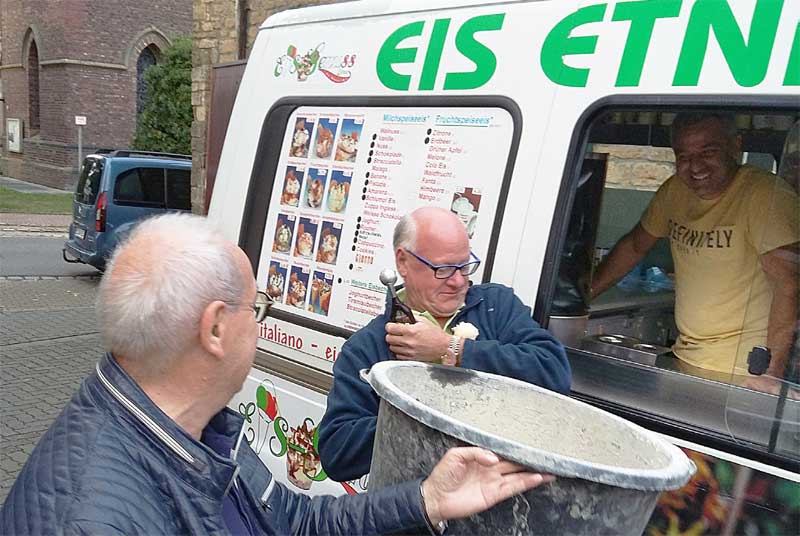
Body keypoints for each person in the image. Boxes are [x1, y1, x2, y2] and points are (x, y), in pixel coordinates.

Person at [0, 214, 554, 535]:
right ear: (216, 329)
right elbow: (336, 452)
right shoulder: (90, 519)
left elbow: (293, 522)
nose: (261, 325)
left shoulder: (204, 435)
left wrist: (426, 500)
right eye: (258, 308)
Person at [319, 207, 571, 482]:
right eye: (444, 269)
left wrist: (453, 349)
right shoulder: (368, 346)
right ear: (403, 262)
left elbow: (555, 372)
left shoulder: (495, 307)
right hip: (414, 510)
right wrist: (423, 417)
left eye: (464, 266)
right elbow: (336, 452)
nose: (458, 281)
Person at [591, 112, 799, 393]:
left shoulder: (762, 195)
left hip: (743, 371)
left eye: (708, 152)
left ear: (735, 146)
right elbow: (635, 245)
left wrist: (771, 374)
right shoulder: (675, 191)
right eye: (684, 156)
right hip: (688, 356)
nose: (695, 166)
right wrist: (583, 296)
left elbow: (788, 284)